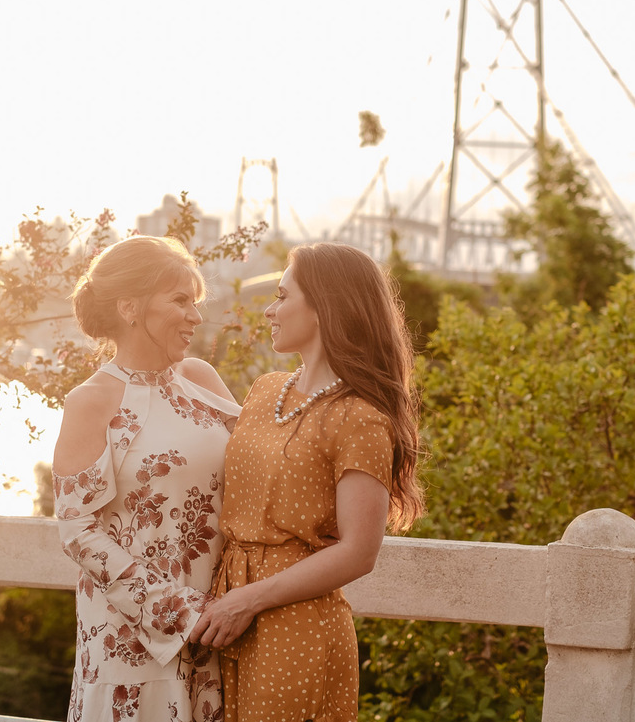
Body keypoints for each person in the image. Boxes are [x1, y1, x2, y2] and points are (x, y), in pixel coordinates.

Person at [190, 241, 426, 722]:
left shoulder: (360, 418)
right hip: (225, 611)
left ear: (323, 307)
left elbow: (359, 552)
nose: (269, 310)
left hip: (293, 625)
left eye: (282, 296)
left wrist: (248, 600)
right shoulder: (264, 391)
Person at [52, 235, 241, 722]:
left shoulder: (200, 378)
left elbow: (259, 469)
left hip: (220, 629)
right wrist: (179, 612)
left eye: (195, 303)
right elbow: (77, 530)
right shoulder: (90, 401)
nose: (195, 317)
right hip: (130, 642)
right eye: (180, 301)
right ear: (129, 307)